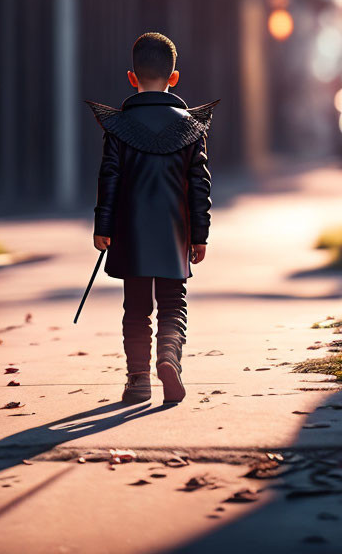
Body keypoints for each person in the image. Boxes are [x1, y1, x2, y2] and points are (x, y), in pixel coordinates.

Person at [87, 32, 218, 404]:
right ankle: (168, 357)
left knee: (136, 308)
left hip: (132, 233)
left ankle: (139, 380)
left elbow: (108, 178)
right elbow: (199, 184)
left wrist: (104, 227)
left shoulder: (119, 126)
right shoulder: (191, 127)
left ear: (132, 77)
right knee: (174, 303)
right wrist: (200, 235)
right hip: (176, 232)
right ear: (173, 78)